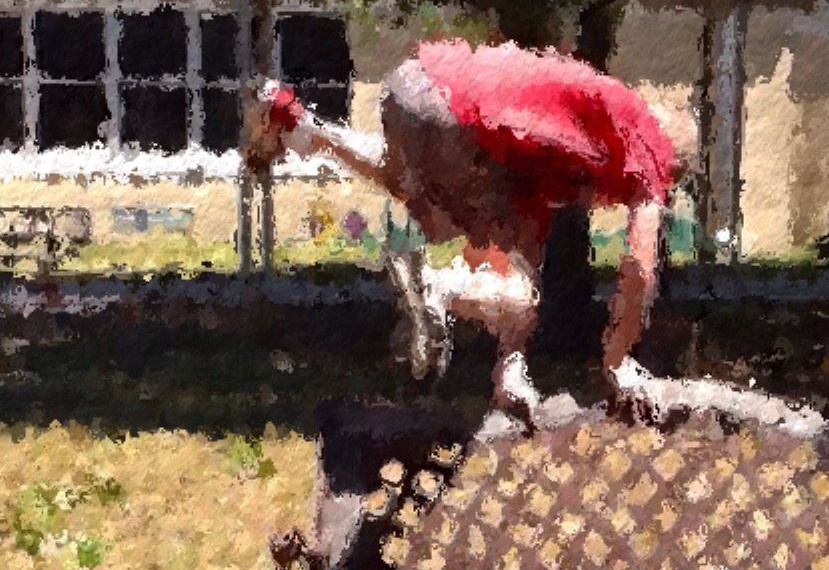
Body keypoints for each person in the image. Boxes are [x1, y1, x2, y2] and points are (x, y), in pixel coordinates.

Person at [248, 37, 676, 421]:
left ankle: (299, 125)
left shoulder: (569, 139)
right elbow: (640, 269)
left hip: (415, 82)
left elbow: (521, 245)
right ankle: (436, 286)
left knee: (405, 181)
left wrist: (511, 364)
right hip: (459, 119)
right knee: (518, 294)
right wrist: (619, 361)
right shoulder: (651, 149)